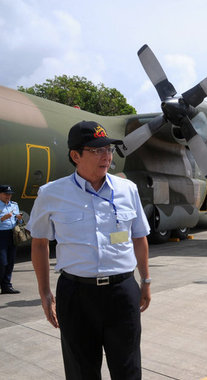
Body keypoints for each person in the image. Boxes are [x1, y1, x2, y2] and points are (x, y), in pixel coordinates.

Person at [28, 120, 151, 379]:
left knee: (128, 369)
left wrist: (146, 280)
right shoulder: (51, 193)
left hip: (122, 292)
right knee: (81, 371)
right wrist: (44, 293)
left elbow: (139, 236)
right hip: (76, 295)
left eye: (108, 150)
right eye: (97, 150)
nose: (106, 157)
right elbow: (39, 243)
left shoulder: (128, 190)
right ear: (75, 156)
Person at [0, 184, 22, 294]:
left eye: (9, 194)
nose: (8, 196)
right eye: (5, 194)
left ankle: (6, 286)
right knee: (2, 262)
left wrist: (19, 219)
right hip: (1, 235)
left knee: (10, 261)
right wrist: (2, 219)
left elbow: (19, 221)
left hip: (12, 234)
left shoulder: (14, 205)